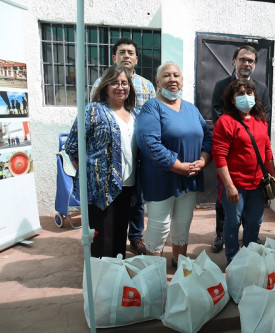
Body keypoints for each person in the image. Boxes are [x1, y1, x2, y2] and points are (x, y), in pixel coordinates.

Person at [135, 61, 211, 267]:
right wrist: (177, 166)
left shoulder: (191, 109)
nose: (172, 80)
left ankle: (179, 262)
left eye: (176, 75)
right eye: (167, 76)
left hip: (190, 179)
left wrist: (203, 160)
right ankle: (153, 271)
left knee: (182, 225)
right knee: (159, 227)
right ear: (157, 81)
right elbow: (148, 142)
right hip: (162, 178)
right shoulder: (152, 107)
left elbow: (207, 137)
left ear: (182, 80)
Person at [90, 37, 156, 255]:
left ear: (136, 58)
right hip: (107, 169)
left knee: (136, 202)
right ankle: (103, 254)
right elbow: (86, 133)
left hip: (136, 152)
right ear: (114, 57)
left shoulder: (147, 85)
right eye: (122, 52)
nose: (126, 56)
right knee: (106, 221)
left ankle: (135, 237)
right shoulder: (100, 84)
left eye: (130, 52)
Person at [65, 65, 138, 258]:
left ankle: (115, 278)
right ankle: (100, 282)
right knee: (102, 240)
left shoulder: (134, 115)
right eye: (114, 82)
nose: (120, 87)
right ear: (105, 86)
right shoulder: (93, 111)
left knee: (120, 236)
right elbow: (73, 147)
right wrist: (90, 174)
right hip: (100, 190)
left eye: (124, 83)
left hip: (127, 185)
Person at [210, 45, 272, 253]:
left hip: (256, 178)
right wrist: (236, 129)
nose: (247, 63)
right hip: (233, 169)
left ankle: (249, 248)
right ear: (234, 61)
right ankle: (227, 247)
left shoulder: (261, 89)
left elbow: (266, 119)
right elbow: (217, 114)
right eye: (243, 59)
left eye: (251, 61)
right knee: (231, 217)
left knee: (253, 219)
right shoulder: (222, 87)